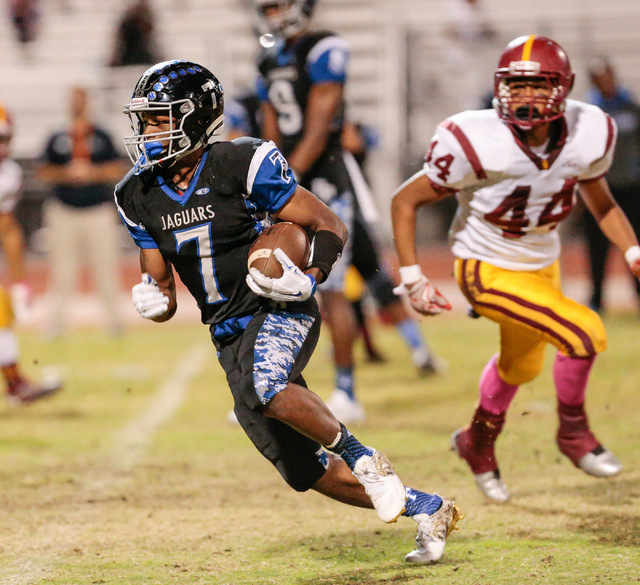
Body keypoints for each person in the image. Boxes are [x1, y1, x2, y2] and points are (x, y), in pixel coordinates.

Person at [117, 60, 462, 563]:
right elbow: (163, 287)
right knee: (304, 472)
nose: (147, 133)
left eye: (159, 119)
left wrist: (313, 275)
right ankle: (428, 508)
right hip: (227, 332)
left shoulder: (241, 162)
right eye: (144, 121)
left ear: (194, 118)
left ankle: (365, 458)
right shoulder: (137, 193)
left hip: (280, 305)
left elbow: (328, 223)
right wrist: (154, 299)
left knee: (268, 385)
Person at [391, 35, 640, 503]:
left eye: (538, 85)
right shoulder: (473, 138)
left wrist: (631, 252)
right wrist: (412, 278)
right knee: (584, 332)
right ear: (499, 88)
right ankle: (573, 434)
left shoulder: (591, 130)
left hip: (540, 263)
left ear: (562, 88)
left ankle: (476, 441)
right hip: (484, 266)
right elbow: (405, 200)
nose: (525, 97)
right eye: (515, 86)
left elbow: (600, 202)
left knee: (521, 365)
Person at [251, 0, 367, 423]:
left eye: (280, 4)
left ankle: (347, 389)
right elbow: (270, 127)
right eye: (267, 6)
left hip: (323, 181)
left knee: (331, 286)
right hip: (290, 180)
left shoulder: (325, 47)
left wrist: (285, 179)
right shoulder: (268, 56)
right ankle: (270, 385)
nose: (273, 13)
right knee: (269, 280)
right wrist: (266, 173)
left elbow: (320, 124)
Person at [37, 86, 128, 338]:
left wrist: (92, 173)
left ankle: (114, 321)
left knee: (106, 266)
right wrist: (68, 174)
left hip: (97, 209)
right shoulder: (57, 136)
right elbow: (42, 170)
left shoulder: (101, 135)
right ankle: (55, 323)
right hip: (64, 210)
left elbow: (118, 169)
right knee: (61, 270)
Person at [0, 104, 63, 406]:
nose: (1, 146)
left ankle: (15, 383)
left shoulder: (8, 173)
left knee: (1, 310)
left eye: (5, 139)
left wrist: (20, 282)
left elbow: (7, 226)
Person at [583, 56, 640, 313]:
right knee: (597, 247)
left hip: (631, 188)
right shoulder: (588, 113)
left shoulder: (631, 108)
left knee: (633, 243)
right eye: (598, 77)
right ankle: (597, 298)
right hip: (599, 188)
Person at [108, 0, 160, 68]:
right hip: (130, 58)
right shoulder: (127, 23)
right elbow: (119, 43)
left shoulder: (147, 21)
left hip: (143, 57)